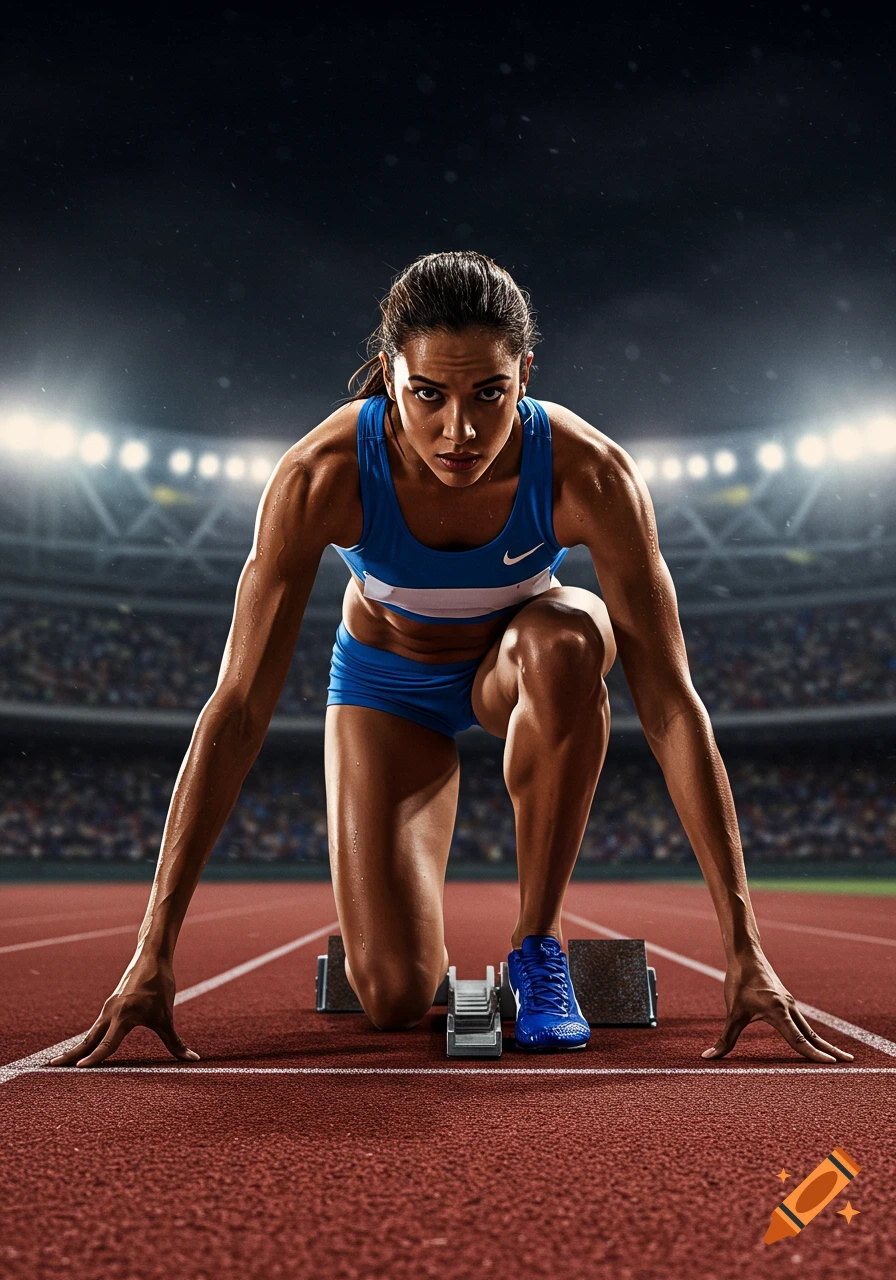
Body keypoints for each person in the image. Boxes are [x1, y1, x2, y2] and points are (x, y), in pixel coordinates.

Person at [54, 250, 852, 1065]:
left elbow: (673, 706)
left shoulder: (590, 472)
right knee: (394, 999)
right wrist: (152, 951)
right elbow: (237, 707)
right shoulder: (320, 474)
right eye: (427, 395)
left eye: (490, 395)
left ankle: (538, 946)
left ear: (526, 375)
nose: (459, 431)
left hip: (517, 671)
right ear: (389, 374)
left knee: (572, 634)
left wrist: (745, 946)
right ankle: (397, 945)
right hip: (386, 688)